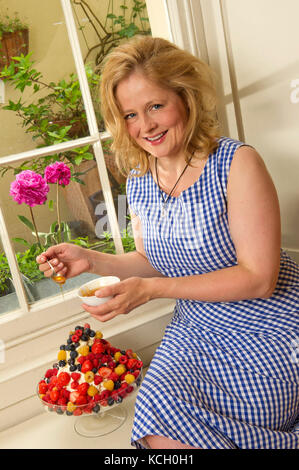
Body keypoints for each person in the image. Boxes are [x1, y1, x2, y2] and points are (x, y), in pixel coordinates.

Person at [37, 36, 299, 449]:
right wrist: (89, 259)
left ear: (186, 98)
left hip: (266, 331)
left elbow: (259, 279)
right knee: (158, 429)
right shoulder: (140, 177)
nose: (146, 126)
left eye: (156, 106)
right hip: (195, 331)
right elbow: (153, 259)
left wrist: (153, 290)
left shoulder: (237, 163)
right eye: (130, 114)